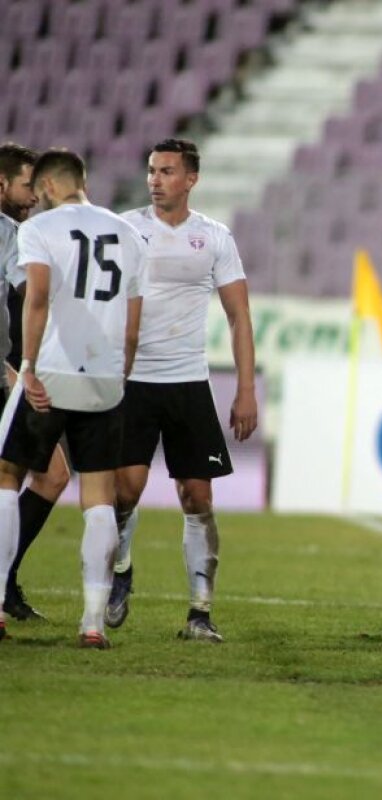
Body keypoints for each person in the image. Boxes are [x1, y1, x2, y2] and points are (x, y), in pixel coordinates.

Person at [105, 138, 257, 642]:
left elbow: (239, 317)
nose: (154, 179)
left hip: (188, 382)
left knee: (197, 496)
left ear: (191, 179)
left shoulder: (214, 237)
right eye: (151, 170)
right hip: (133, 382)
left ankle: (199, 613)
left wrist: (245, 390)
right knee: (124, 490)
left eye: (166, 171)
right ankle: (121, 567)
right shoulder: (126, 229)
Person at [0, 149, 144, 647]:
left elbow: (36, 299)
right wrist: (120, 375)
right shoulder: (128, 233)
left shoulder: (37, 230)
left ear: (50, 188)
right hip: (105, 379)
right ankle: (92, 623)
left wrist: (31, 368)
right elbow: (132, 322)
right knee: (98, 498)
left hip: (52, 373)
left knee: (6, 476)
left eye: (39, 193)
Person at [0, 142, 72, 622]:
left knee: (51, 473)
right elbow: (30, 289)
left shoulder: (14, 232)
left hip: (6, 367)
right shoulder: (11, 233)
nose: (34, 196)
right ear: (2, 184)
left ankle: (5, 581)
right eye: (28, 185)